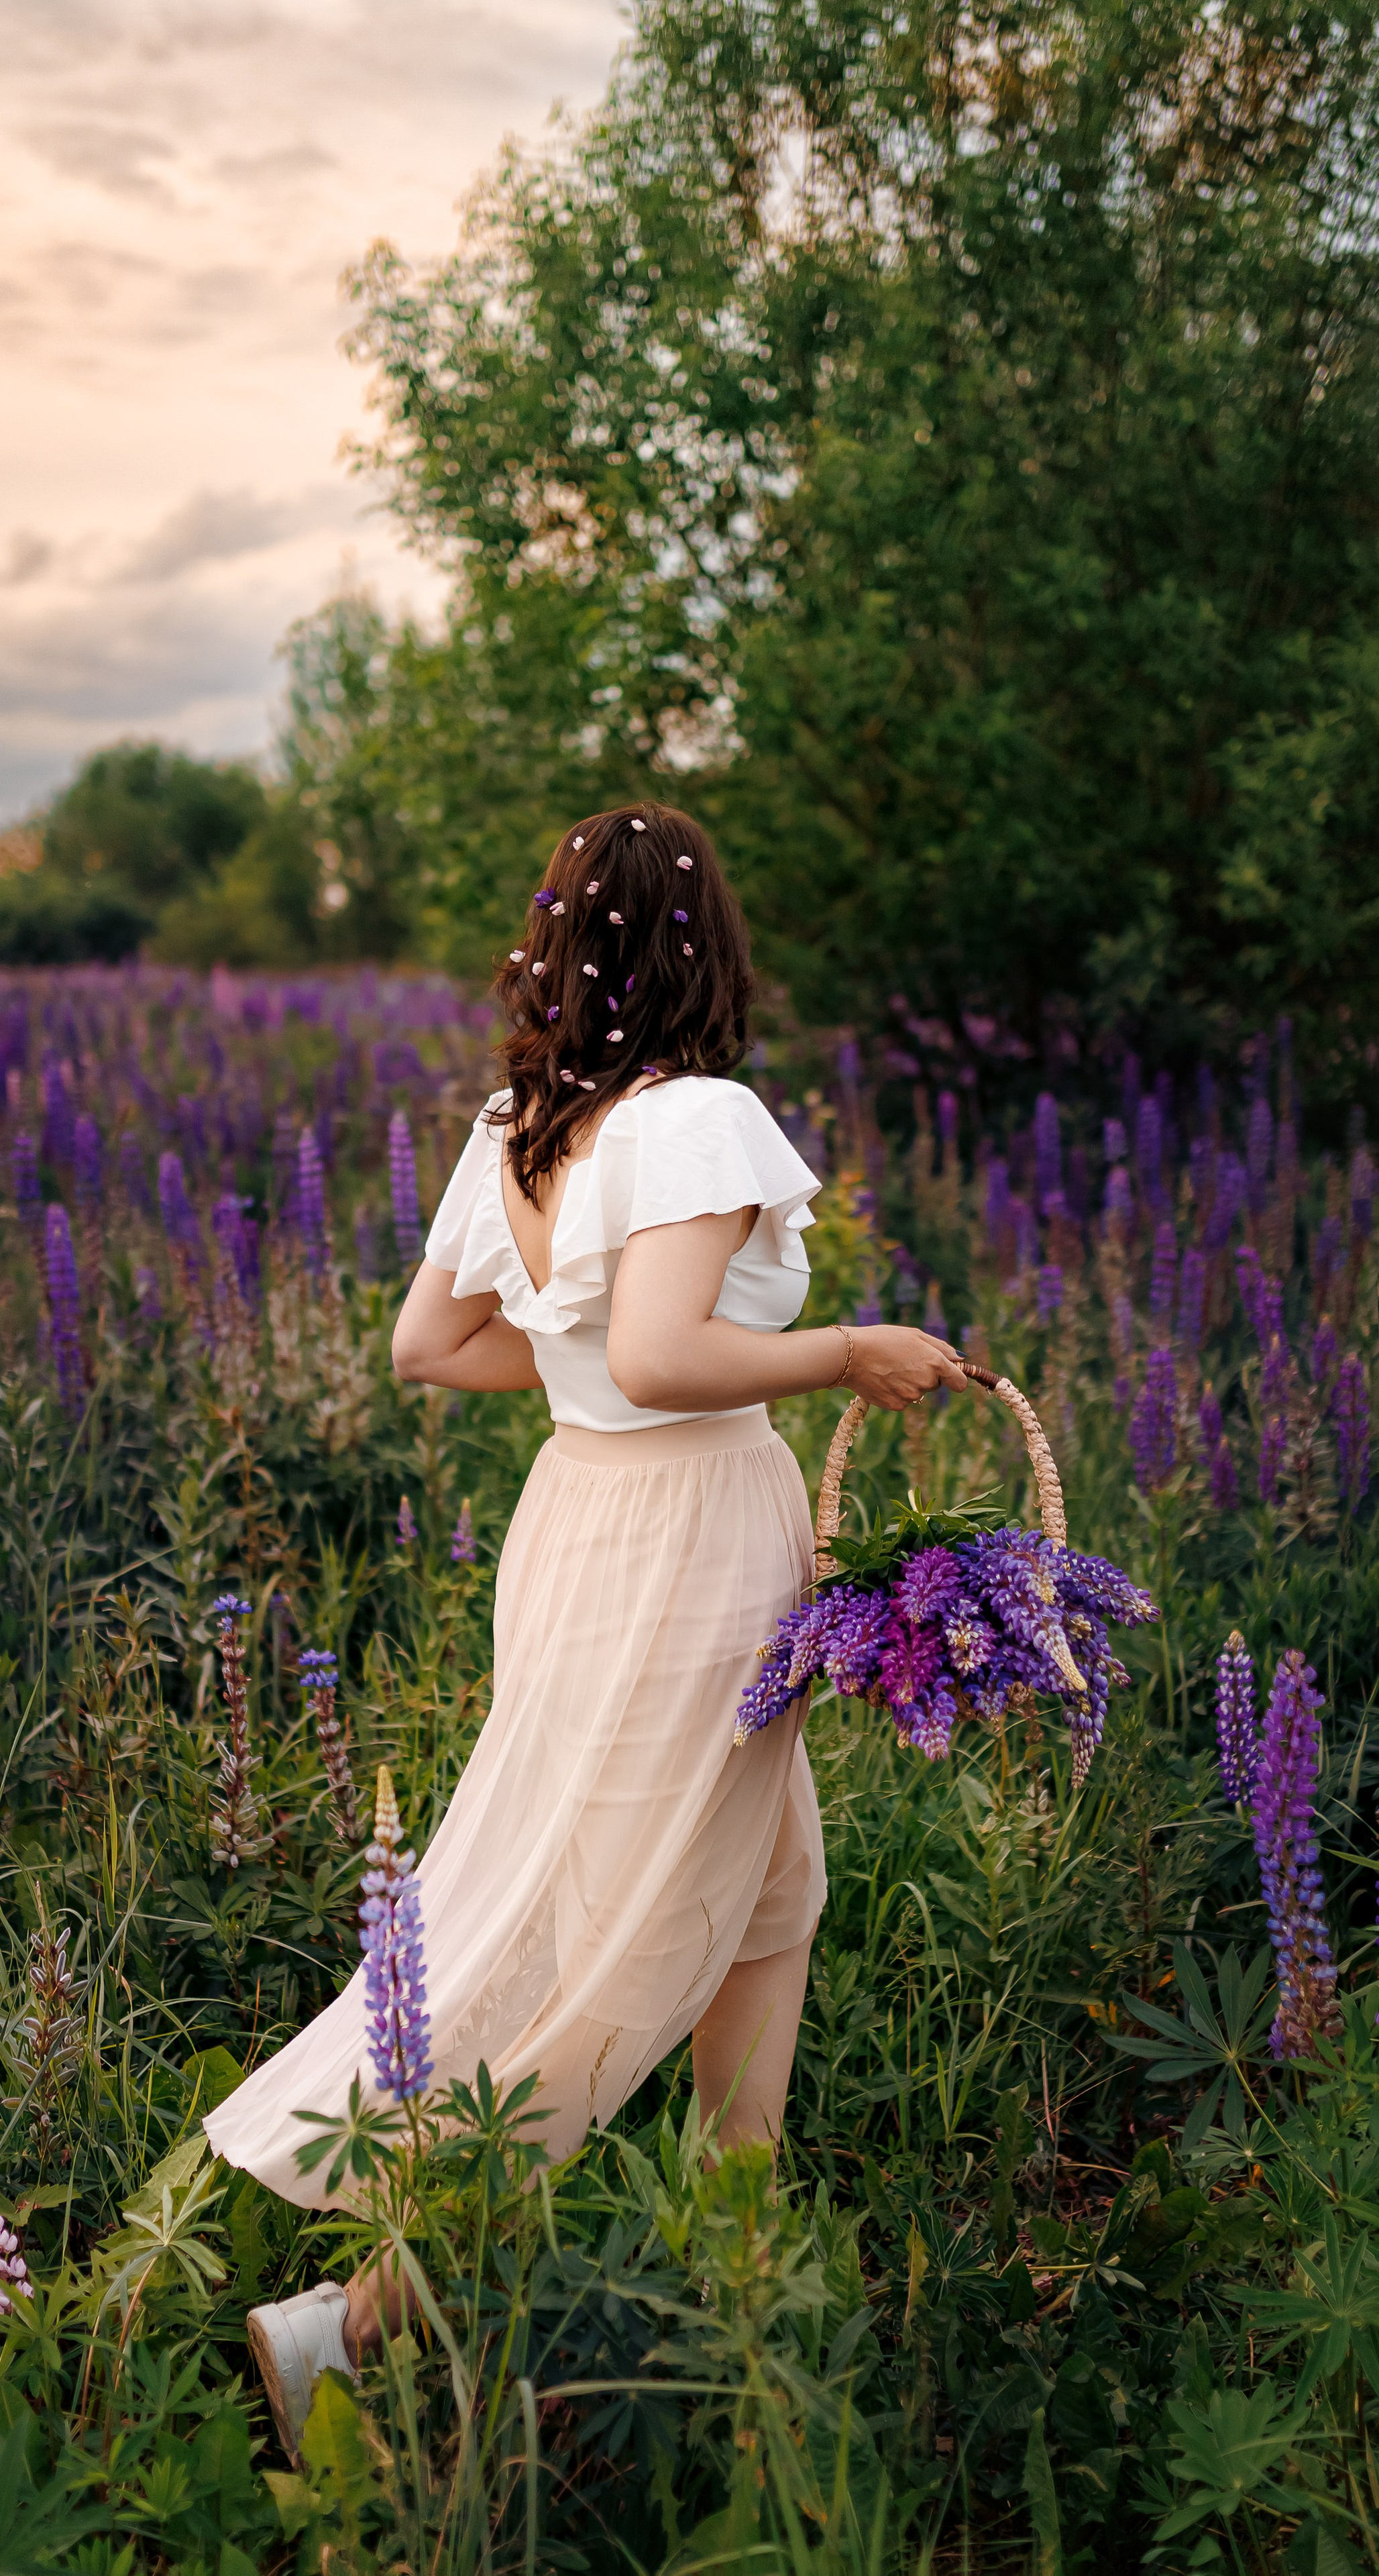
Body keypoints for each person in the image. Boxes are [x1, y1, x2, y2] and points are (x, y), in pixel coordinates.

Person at [209, 800, 964, 2457]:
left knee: (766, 1891)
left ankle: (734, 2267)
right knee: (631, 1927)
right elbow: (665, 1360)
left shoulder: (520, 1129)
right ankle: (349, 2323)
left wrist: (580, 1376)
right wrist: (852, 1350)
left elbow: (433, 1347)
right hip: (687, 1527)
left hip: (585, 1521)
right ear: (705, 947)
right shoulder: (692, 1118)